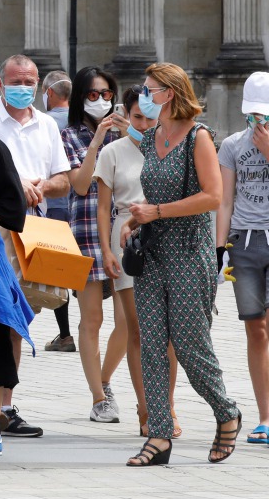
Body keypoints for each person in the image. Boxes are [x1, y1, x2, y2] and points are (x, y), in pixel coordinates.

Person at [120, 63, 240, 466]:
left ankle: (227, 413)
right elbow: (152, 194)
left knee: (190, 346)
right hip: (153, 253)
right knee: (151, 345)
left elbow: (212, 196)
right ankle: (159, 434)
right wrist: (136, 220)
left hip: (190, 253)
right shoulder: (153, 136)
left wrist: (157, 211)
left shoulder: (198, 136)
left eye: (149, 88)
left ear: (168, 93)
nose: (143, 95)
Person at [0, 54, 70, 440]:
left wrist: (38, 186)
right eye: (16, 81)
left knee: (17, 318)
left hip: (32, 228)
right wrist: (13, 185)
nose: (24, 87)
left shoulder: (47, 124)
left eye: (30, 81)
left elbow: (64, 180)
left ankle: (4, 406)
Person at [97, 86, 181, 439]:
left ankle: (169, 406)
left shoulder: (174, 146)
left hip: (168, 235)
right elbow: (102, 207)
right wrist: (105, 251)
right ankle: (146, 408)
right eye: (137, 117)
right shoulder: (113, 151)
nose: (145, 124)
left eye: (150, 116)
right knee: (138, 330)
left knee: (171, 334)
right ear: (125, 115)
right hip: (126, 239)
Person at [61, 67, 129, 424]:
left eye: (106, 94)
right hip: (86, 232)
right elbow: (82, 185)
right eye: (93, 94)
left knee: (127, 321)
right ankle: (99, 398)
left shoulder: (126, 133)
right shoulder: (70, 135)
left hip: (122, 233)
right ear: (80, 98)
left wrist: (127, 134)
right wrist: (97, 139)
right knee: (92, 320)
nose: (101, 101)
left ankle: (104, 378)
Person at [217, 71, 269, 445]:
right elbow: (224, 199)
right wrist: (220, 248)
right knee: (256, 328)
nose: (259, 122)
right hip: (245, 242)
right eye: (255, 115)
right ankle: (265, 416)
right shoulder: (233, 144)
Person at [42, 70, 76, 353]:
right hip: (82, 209)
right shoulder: (80, 122)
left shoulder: (43, 123)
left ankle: (65, 334)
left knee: (57, 273)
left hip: (54, 207)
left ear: (49, 93)